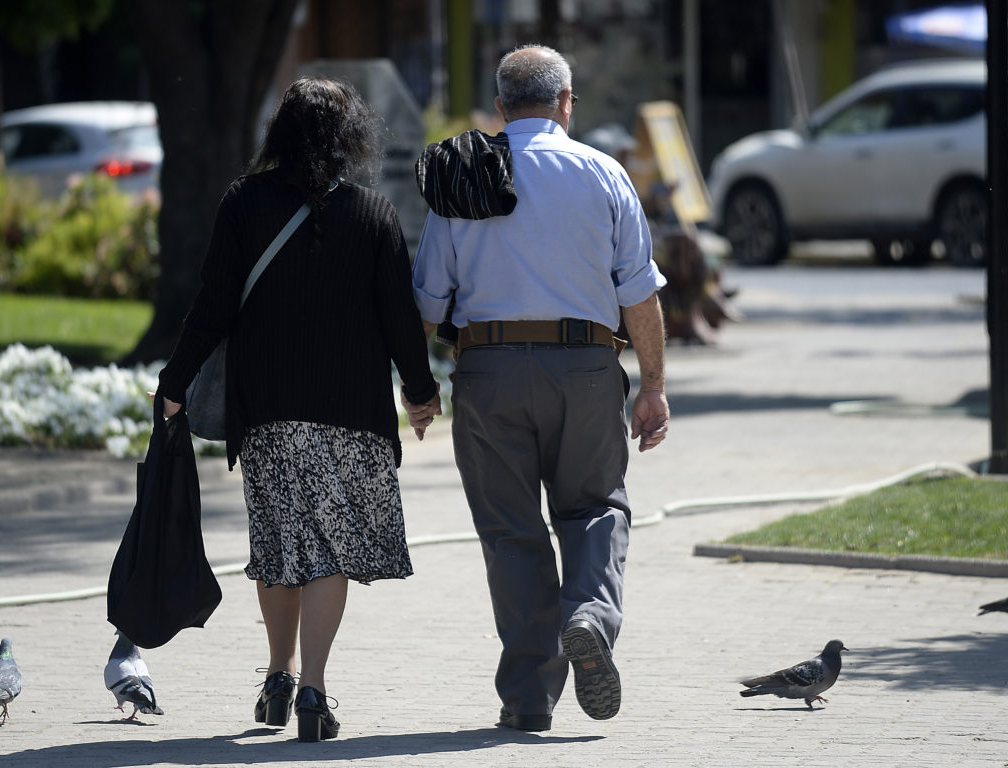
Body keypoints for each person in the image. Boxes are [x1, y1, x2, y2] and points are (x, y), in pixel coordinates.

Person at [157, 77, 441, 743]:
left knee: (277, 545)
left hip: (269, 412)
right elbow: (400, 320)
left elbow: (212, 304)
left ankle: (278, 672)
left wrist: (175, 382)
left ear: (278, 134)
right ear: (348, 139)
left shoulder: (244, 203)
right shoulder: (374, 214)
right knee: (328, 552)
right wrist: (421, 392)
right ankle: (311, 686)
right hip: (350, 412)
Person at [410, 45, 670, 732]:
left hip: (487, 371)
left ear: (499, 107)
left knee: (511, 533)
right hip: (584, 368)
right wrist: (652, 387)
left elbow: (428, 301)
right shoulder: (603, 174)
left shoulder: (462, 174)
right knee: (593, 509)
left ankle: (528, 699)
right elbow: (638, 295)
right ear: (566, 102)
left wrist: (417, 389)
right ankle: (588, 615)